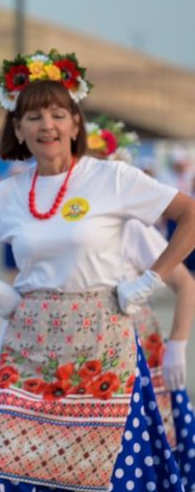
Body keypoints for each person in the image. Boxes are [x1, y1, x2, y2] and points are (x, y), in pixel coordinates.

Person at [0, 50, 195, 492]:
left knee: (109, 471)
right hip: (29, 346)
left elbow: (188, 216)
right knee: (13, 463)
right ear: (17, 129)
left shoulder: (111, 178)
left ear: (75, 123)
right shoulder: (9, 194)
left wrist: (151, 280)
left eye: (57, 114)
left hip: (103, 346)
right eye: (33, 117)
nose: (46, 125)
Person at [86, 115, 195, 486]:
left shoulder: (129, 225)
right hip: (80, 349)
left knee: (134, 450)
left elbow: (185, 283)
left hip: (133, 346)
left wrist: (177, 345)